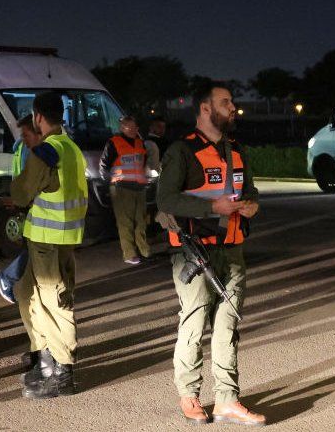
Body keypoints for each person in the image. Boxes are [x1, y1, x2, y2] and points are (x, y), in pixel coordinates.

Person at [157, 83, 266, 426]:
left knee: (228, 325)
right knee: (194, 323)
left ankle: (227, 400)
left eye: (232, 102)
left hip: (232, 249)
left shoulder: (236, 150)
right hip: (194, 254)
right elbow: (166, 200)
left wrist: (251, 205)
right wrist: (210, 207)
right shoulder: (182, 151)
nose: (233, 107)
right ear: (205, 109)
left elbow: (250, 191)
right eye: (226, 102)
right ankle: (189, 395)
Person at [11, 92, 87, 399]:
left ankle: (62, 371)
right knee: (26, 293)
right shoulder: (71, 148)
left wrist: (24, 169)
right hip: (56, 239)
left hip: (49, 242)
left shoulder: (46, 152)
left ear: (38, 117)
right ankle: (45, 360)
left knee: (55, 303)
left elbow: (20, 193)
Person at [0, 114, 40, 304]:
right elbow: (30, 178)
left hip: (26, 202)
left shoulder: (21, 146)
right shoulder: (31, 149)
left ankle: (11, 279)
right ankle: (8, 277)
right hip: (31, 203)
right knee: (34, 247)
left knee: (33, 247)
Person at [99, 116, 151, 265]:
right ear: (123, 128)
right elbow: (104, 166)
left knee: (141, 221)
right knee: (125, 222)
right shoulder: (114, 143)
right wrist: (108, 184)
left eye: (136, 127)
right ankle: (130, 254)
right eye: (131, 127)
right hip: (121, 188)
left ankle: (144, 251)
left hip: (139, 187)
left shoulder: (140, 143)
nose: (135, 130)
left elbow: (143, 163)